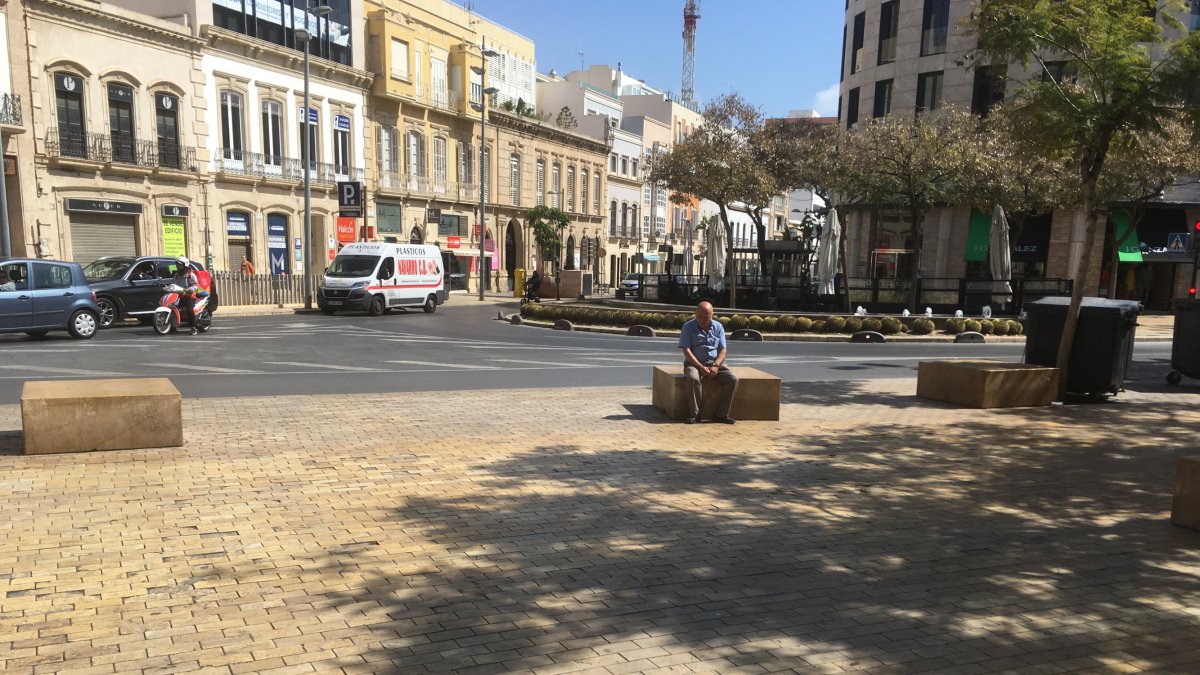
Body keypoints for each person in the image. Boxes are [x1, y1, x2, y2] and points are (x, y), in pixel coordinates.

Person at [677, 300, 738, 425]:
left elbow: (723, 349)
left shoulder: (718, 327)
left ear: (712, 315)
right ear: (695, 313)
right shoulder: (688, 327)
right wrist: (700, 367)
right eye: (700, 316)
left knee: (732, 379)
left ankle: (721, 414)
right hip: (694, 363)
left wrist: (716, 365)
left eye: (707, 317)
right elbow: (687, 351)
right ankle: (695, 414)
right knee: (693, 378)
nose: (703, 320)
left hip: (714, 363)